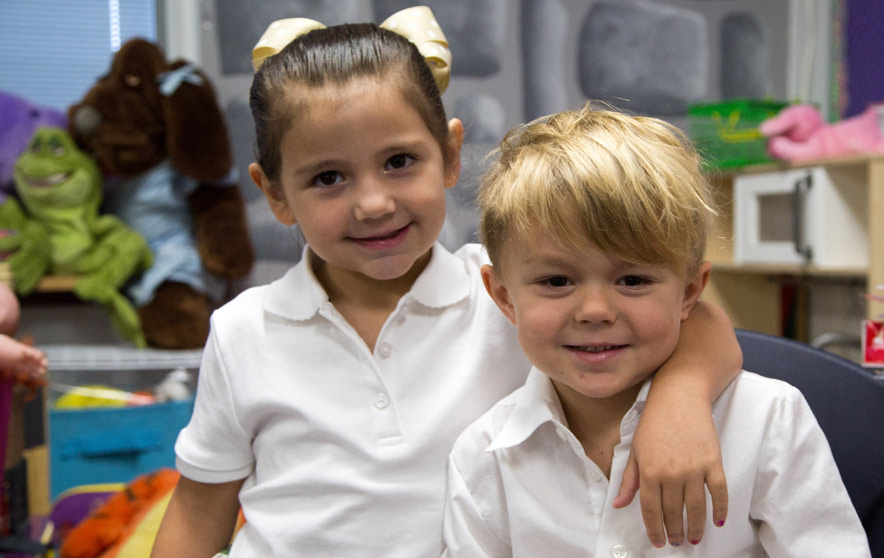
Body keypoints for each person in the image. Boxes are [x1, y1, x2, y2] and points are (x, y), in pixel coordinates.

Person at [150, 8, 741, 558]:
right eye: (328, 177)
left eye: (400, 162)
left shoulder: (511, 291)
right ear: (276, 193)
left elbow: (700, 317)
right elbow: (200, 507)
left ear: (451, 155)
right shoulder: (242, 330)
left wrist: (681, 398)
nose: (374, 203)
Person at [442, 105, 872, 557]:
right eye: (556, 282)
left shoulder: (767, 421)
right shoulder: (483, 459)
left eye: (633, 281)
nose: (594, 311)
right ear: (505, 297)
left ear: (689, 292)